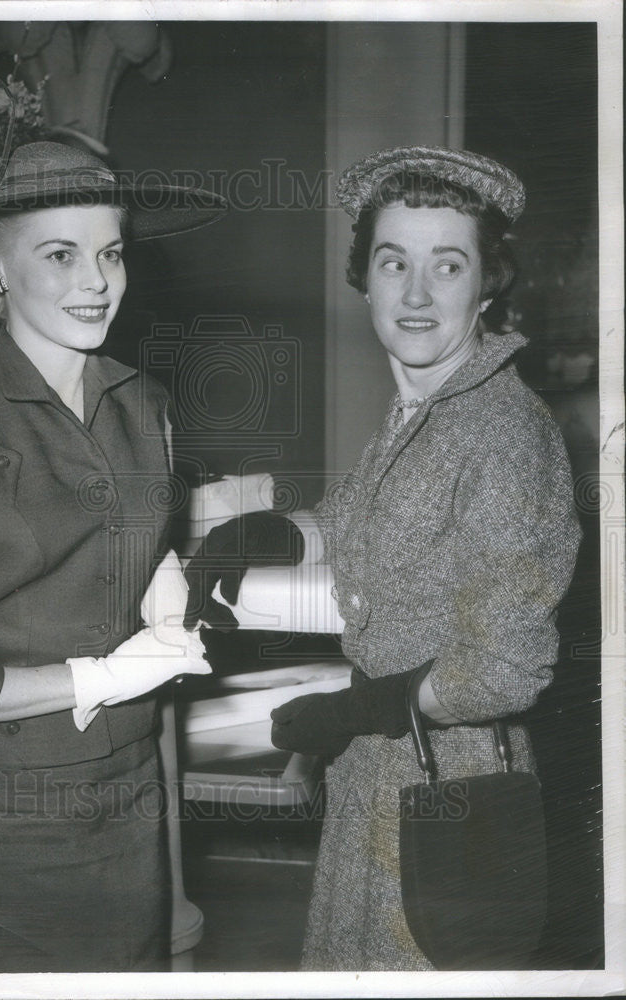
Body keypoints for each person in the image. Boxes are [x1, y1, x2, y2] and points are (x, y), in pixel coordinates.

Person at [184, 146, 581, 970]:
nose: (414, 293)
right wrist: (273, 533)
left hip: (451, 778)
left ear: (487, 283)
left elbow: (506, 668)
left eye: (447, 265)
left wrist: (356, 710)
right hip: (385, 771)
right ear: (361, 276)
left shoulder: (500, 432)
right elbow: (370, 515)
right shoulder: (426, 407)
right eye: (392, 262)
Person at [0, 140, 226, 973]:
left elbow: (142, 539)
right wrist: (96, 678)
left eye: (109, 252)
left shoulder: (146, 407)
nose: (95, 282)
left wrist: (164, 603)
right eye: (59, 255)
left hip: (126, 801)